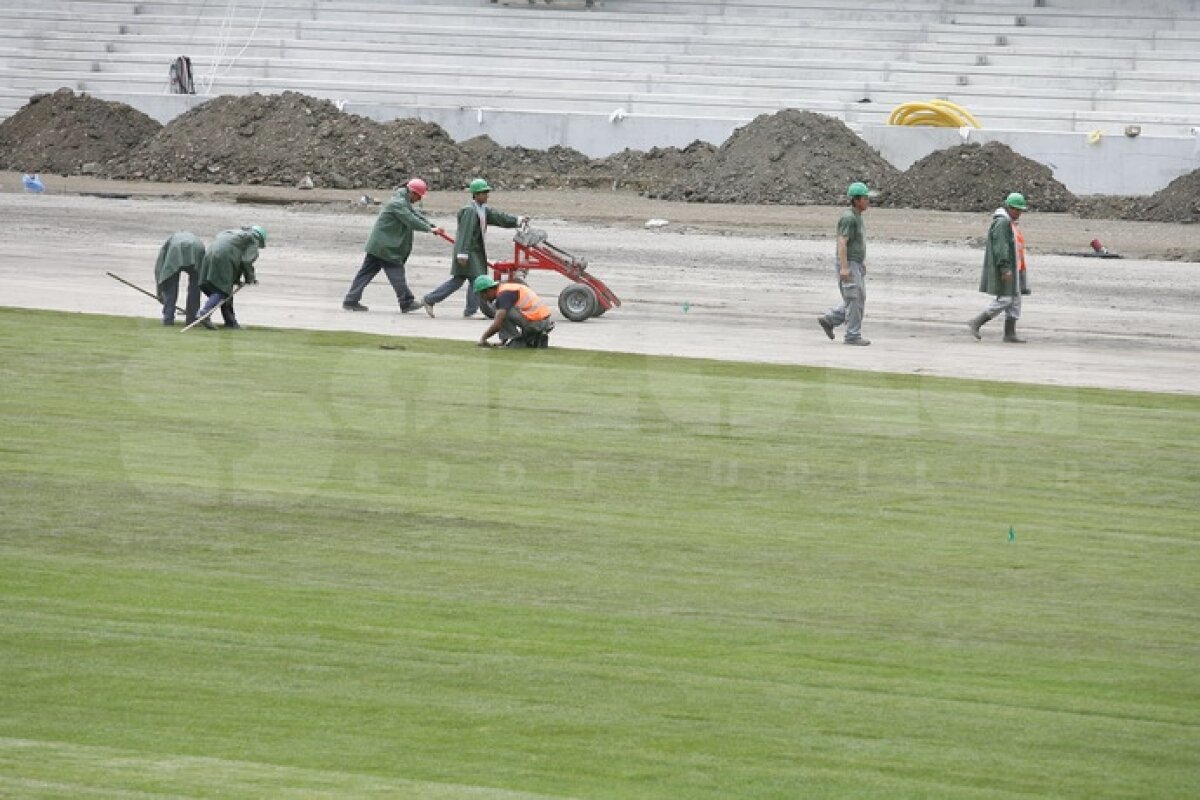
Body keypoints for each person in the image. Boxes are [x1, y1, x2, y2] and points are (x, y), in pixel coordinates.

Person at [421, 178, 528, 318]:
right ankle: (467, 309)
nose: (487, 195)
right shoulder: (470, 211)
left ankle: (432, 300)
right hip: (468, 251)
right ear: (476, 195)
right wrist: (463, 254)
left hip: (473, 251)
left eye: (487, 192)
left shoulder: (482, 209)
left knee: (461, 281)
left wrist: (517, 220)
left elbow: (498, 217)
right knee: (477, 279)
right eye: (484, 193)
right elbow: (466, 233)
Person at [342, 178, 442, 313]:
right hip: (386, 247)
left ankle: (351, 300)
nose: (419, 199)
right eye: (419, 196)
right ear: (412, 192)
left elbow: (415, 214)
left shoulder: (402, 201)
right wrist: (429, 229)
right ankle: (406, 302)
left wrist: (431, 226)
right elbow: (410, 219)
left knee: (365, 273)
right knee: (396, 274)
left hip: (380, 245)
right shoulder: (398, 203)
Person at [967, 192, 1029, 343]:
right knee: (1006, 299)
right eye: (1018, 210)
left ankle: (1009, 334)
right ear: (1010, 208)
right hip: (1008, 268)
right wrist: (1005, 268)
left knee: (1015, 300)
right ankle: (977, 322)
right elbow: (1001, 248)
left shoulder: (1010, 223)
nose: (1020, 213)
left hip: (1015, 268)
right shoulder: (1002, 223)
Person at [817, 181, 873, 346]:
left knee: (857, 297)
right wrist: (844, 267)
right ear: (856, 200)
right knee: (854, 298)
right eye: (865, 198)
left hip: (855, 263)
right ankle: (852, 335)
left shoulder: (856, 216)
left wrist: (860, 263)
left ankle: (830, 319)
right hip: (848, 263)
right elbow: (842, 242)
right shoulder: (849, 218)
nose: (868, 201)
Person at [196, 225, 266, 329]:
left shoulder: (232, 233)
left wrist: (237, 280)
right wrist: (250, 278)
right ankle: (204, 313)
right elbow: (246, 261)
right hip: (224, 257)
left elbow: (236, 257)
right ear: (260, 239)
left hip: (210, 253)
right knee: (222, 289)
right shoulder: (252, 239)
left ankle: (230, 322)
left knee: (220, 288)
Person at [473, 275, 554, 348]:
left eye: (482, 294)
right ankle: (536, 336)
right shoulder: (507, 288)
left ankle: (516, 340)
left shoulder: (503, 295)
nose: (483, 298)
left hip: (536, 322)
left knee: (501, 313)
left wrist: (483, 338)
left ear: (488, 290)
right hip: (544, 321)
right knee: (502, 311)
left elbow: (498, 324)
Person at [154, 231, 207, 327]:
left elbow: (159, 271)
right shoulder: (195, 241)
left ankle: (168, 319)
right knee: (195, 288)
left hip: (176, 250)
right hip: (196, 248)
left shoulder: (169, 244)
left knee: (171, 287)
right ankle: (192, 318)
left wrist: (160, 292)